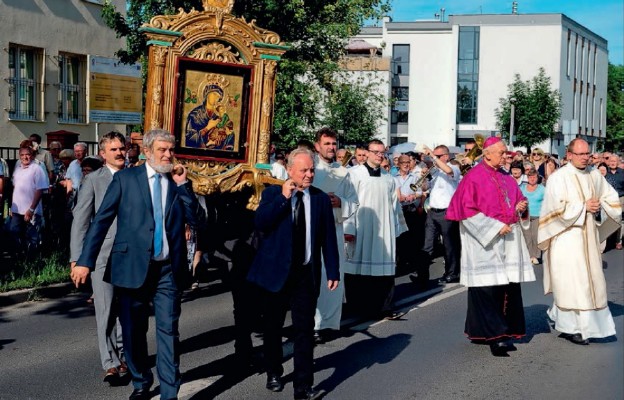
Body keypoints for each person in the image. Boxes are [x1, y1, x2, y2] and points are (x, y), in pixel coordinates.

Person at [71, 129, 206, 400]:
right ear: (146, 152)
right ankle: (141, 380)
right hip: (131, 267)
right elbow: (101, 221)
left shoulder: (177, 182)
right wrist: (84, 261)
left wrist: (183, 185)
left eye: (171, 149)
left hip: (168, 269)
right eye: (162, 150)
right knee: (133, 332)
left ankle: (170, 393)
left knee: (168, 331)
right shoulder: (125, 179)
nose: (168, 155)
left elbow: (197, 220)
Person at [247, 147, 339, 400]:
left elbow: (327, 237)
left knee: (304, 331)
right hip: (277, 274)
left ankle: (303, 385)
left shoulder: (319, 199)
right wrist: (284, 198)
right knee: (273, 328)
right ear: (289, 170)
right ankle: (274, 371)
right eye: (304, 170)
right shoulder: (273, 194)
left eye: (312, 170)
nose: (309, 175)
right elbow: (261, 223)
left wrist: (333, 269)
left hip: (305, 274)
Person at [446, 136, 536, 357]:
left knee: (506, 287)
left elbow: (518, 199)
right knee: (487, 289)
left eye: (506, 152)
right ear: (487, 154)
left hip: (508, 241)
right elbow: (465, 211)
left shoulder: (507, 176)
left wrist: (521, 205)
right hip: (484, 244)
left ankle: (489, 331)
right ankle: (497, 337)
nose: (506, 156)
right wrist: (494, 228)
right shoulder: (473, 177)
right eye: (502, 152)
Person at [537, 139, 622, 345]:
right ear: (570, 154)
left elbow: (610, 197)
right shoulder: (559, 178)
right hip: (566, 236)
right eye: (581, 154)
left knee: (590, 282)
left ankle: (576, 322)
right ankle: (571, 328)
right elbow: (553, 209)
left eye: (587, 154)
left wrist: (602, 206)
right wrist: (582, 207)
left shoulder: (594, 175)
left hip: (588, 236)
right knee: (571, 283)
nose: (585, 158)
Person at [70, 132, 127, 385]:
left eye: (122, 148)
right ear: (103, 154)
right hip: (102, 255)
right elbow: (81, 221)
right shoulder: (93, 180)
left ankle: (126, 356)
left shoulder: (136, 176)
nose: (120, 153)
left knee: (128, 310)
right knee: (105, 310)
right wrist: (78, 258)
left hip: (132, 255)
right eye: (113, 149)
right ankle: (111, 363)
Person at [343, 139, 407, 320]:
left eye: (382, 153)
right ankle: (357, 309)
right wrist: (349, 228)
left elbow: (394, 206)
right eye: (376, 152)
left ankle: (385, 307)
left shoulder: (388, 178)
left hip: (383, 230)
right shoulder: (354, 174)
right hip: (361, 227)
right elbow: (348, 201)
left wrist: (395, 228)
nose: (380, 156)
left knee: (384, 269)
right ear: (368, 153)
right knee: (357, 270)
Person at [312, 128, 358, 343]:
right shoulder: (309, 168)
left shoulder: (343, 172)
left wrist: (341, 202)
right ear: (317, 146)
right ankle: (313, 324)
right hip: (311, 228)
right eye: (327, 143)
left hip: (335, 227)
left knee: (332, 276)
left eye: (333, 144)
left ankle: (329, 323)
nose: (331, 147)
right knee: (314, 276)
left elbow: (354, 200)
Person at [410, 144, 461, 290]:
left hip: (447, 211)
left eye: (438, 156)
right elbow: (426, 188)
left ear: (446, 156)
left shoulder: (453, 168)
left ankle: (452, 273)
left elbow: (449, 170)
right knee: (427, 245)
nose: (435, 159)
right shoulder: (435, 171)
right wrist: (424, 178)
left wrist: (432, 156)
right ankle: (422, 277)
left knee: (449, 245)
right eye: (435, 156)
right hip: (432, 211)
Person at [394, 153, 426, 272]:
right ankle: (401, 262)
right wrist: (401, 197)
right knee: (400, 237)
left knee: (412, 236)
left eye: (408, 162)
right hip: (399, 209)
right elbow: (394, 195)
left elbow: (419, 192)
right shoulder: (394, 178)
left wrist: (413, 196)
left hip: (411, 208)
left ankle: (411, 261)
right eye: (403, 163)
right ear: (398, 164)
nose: (406, 165)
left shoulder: (414, 177)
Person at [520, 168, 546, 264]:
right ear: (527, 178)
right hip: (525, 215)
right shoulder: (522, 188)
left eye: (534, 177)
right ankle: (529, 256)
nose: (532, 179)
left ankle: (536, 256)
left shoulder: (542, 189)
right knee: (527, 236)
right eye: (530, 177)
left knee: (536, 236)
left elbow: (547, 201)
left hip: (537, 216)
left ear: (537, 177)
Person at [604, 154, 624, 250]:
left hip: (620, 198)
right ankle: (606, 241)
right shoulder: (605, 172)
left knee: (620, 220)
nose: (612, 163)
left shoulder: (622, 173)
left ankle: (618, 241)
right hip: (607, 200)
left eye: (614, 161)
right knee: (607, 220)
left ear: (618, 162)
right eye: (611, 161)